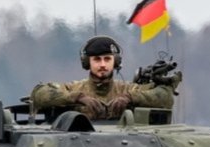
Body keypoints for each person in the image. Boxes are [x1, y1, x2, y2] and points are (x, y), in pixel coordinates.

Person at [29, 35, 178, 120]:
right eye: (97, 59)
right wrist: (77, 98)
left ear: (115, 61)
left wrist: (130, 98)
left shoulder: (128, 89)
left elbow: (165, 97)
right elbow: (39, 94)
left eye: (107, 59)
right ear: (88, 62)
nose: (102, 64)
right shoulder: (73, 88)